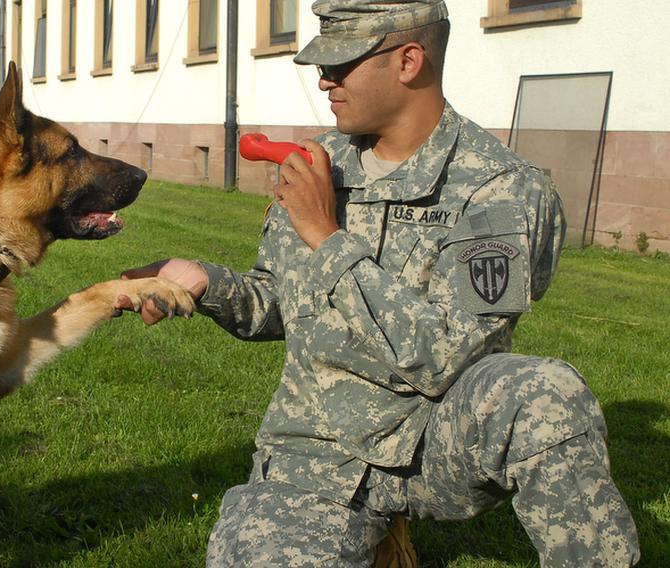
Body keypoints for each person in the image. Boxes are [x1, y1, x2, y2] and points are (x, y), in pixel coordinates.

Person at [120, 1, 640, 565]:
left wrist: (327, 236)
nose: (324, 80)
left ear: (409, 62)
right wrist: (209, 284)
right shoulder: (325, 162)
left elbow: (445, 355)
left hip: (432, 441)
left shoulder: (499, 191)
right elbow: (281, 302)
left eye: (342, 65)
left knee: (541, 392)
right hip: (318, 450)